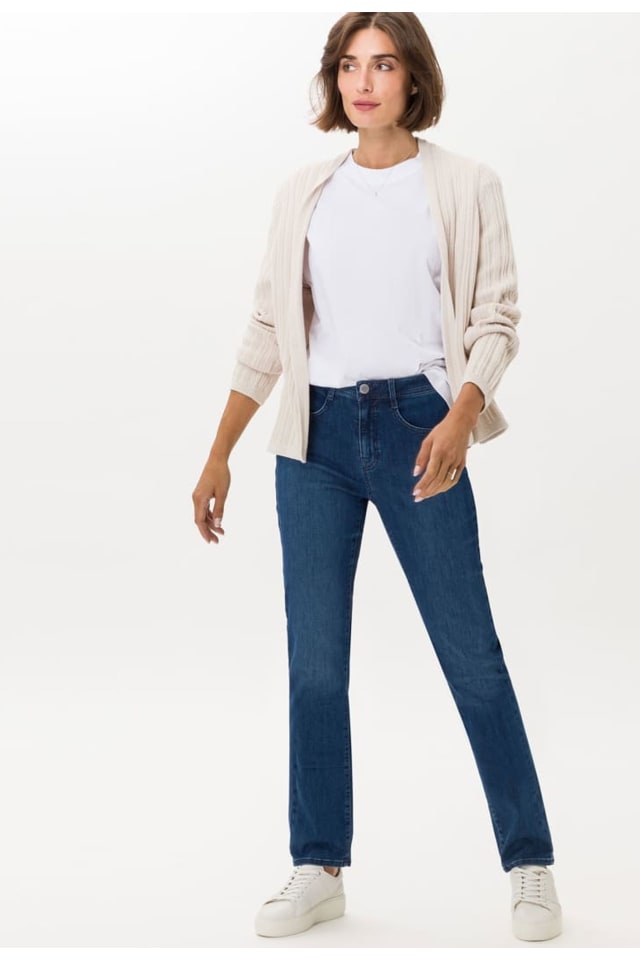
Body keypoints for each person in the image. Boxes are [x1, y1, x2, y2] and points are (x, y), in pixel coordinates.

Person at [192, 11, 562, 943]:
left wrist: (460, 418)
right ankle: (318, 865)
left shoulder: (466, 184)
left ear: (412, 79)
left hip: (418, 428)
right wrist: (220, 450)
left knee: (471, 655)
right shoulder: (304, 193)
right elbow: (269, 326)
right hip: (313, 439)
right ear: (334, 81)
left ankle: (529, 863)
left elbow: (496, 317)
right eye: (349, 66)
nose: (364, 83)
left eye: (383, 65)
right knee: (315, 665)